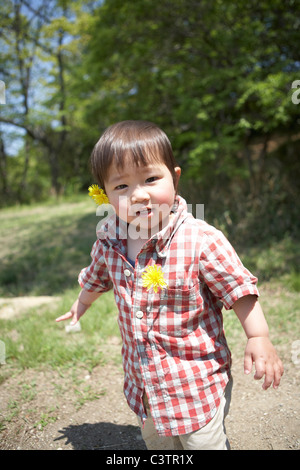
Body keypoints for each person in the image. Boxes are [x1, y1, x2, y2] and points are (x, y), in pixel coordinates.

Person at [56, 120, 284, 450]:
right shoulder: (109, 241)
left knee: (201, 445)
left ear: (174, 177)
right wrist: (81, 303)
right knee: (159, 446)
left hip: (195, 384)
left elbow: (238, 289)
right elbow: (97, 276)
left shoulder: (200, 240)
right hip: (145, 384)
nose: (139, 194)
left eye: (150, 179)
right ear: (105, 194)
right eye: (121, 187)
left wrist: (259, 336)